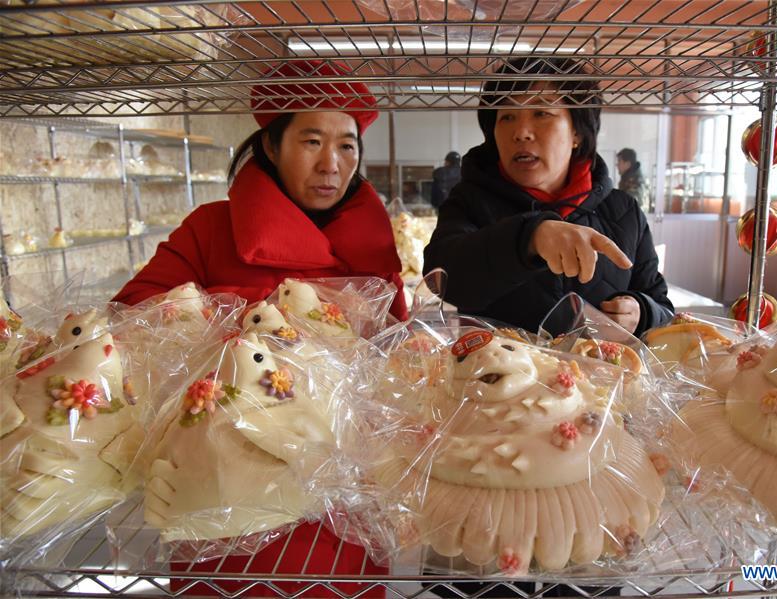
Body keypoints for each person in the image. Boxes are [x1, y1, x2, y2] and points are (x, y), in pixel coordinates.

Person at [112, 60, 404, 597]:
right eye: (311, 142)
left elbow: (389, 354)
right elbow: (134, 314)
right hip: (225, 480)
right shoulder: (211, 226)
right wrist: (247, 331)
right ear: (270, 145)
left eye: (347, 146)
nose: (331, 164)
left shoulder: (372, 243)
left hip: (337, 487)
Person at [423, 57, 673, 338]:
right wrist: (529, 238)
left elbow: (663, 309)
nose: (521, 133)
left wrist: (642, 312)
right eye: (507, 117)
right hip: (497, 365)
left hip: (602, 367)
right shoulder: (470, 200)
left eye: (541, 112)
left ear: (577, 132)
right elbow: (441, 280)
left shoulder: (623, 210)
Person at [616, 147, 650, 212]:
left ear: (627, 164)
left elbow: (628, 206)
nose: (617, 165)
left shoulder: (636, 182)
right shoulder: (627, 179)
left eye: (619, 161)